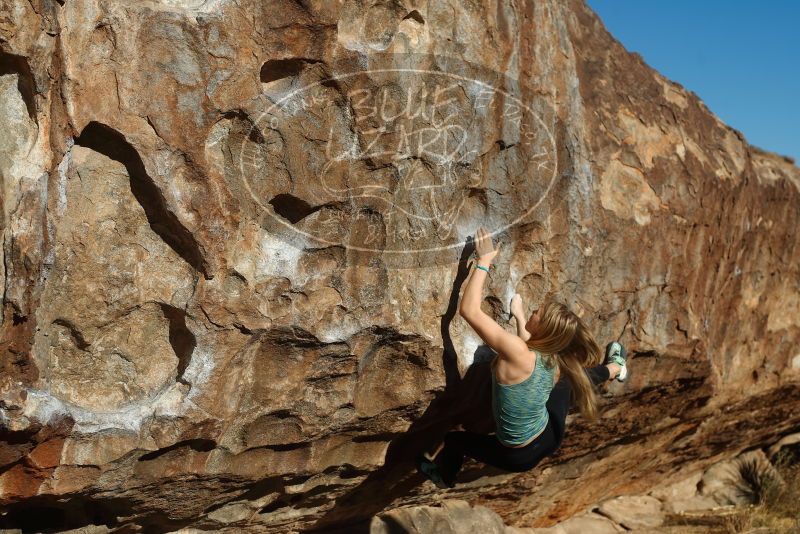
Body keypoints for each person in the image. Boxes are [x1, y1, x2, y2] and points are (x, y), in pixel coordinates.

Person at [416, 227, 629, 488]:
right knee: (571, 380)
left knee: (453, 440)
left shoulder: (518, 351)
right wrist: (519, 316)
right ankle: (615, 368)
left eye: (537, 313)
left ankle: (445, 477)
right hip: (548, 435)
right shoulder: (553, 358)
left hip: (515, 455)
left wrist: (484, 261)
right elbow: (528, 351)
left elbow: (469, 311)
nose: (535, 311)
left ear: (545, 329)